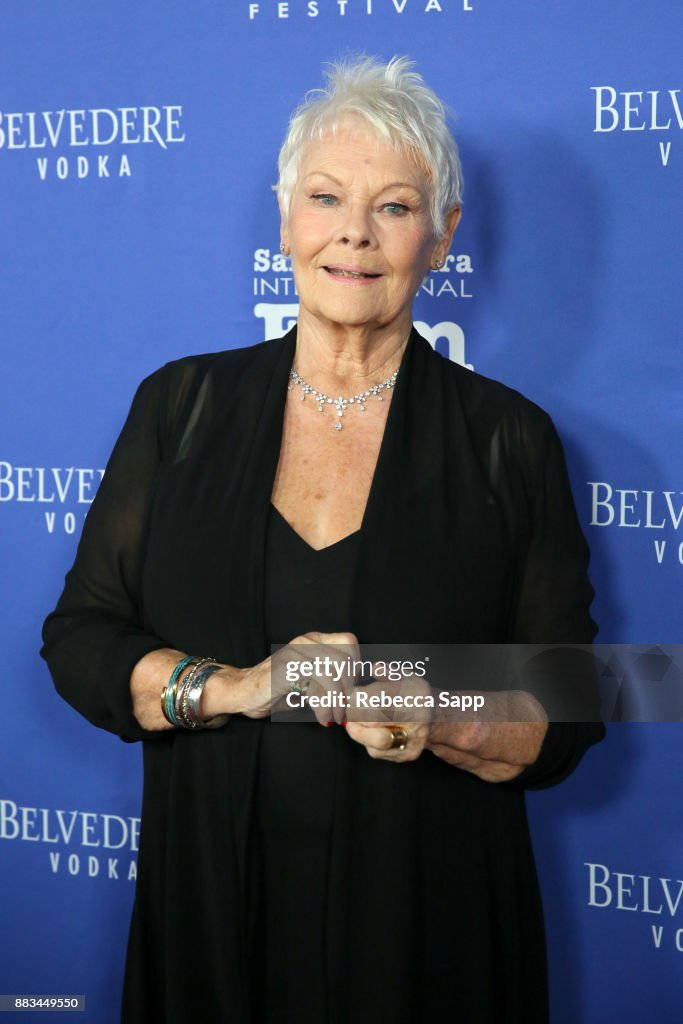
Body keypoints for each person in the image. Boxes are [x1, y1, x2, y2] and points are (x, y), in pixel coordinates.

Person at [41, 56, 604, 1023]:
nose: (353, 231)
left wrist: (438, 713)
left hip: (434, 932)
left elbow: (577, 700)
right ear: (285, 217)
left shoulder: (508, 438)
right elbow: (82, 639)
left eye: (393, 205)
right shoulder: (181, 406)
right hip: (211, 923)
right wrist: (239, 688)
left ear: (442, 237)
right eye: (325, 197)